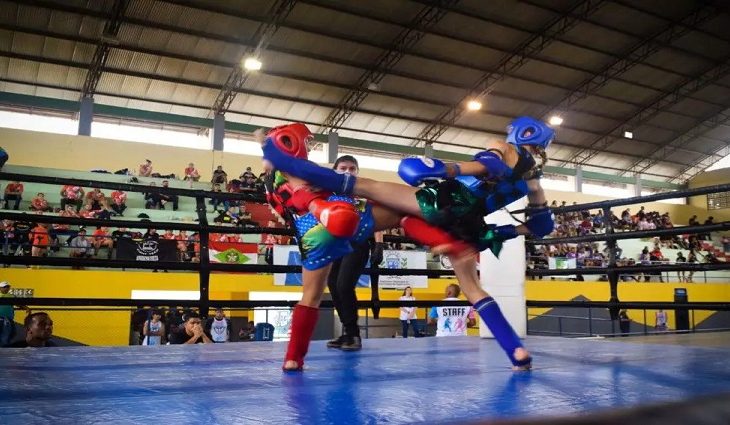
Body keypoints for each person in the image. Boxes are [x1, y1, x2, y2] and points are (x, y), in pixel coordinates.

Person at [261, 118, 554, 371]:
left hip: (314, 235)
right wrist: (503, 231)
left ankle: (293, 359)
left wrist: (442, 169)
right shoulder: (533, 182)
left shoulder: (277, 179)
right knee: (470, 286)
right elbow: (542, 225)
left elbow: (486, 165)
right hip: (466, 224)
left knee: (311, 293)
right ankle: (516, 350)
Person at [325, 155, 382, 351]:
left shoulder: (363, 193)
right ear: (335, 169)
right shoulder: (329, 192)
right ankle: (347, 333)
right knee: (333, 284)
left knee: (344, 285)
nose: (348, 171)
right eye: (344, 167)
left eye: (352, 168)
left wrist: (379, 245)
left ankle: (354, 335)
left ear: (357, 172)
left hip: (357, 243)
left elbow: (376, 219)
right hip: (335, 244)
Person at [0, 281, 30, 346]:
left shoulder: (11, 296)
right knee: (5, 334)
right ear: (0, 288)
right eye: (5, 287)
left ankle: (4, 348)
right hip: (4, 318)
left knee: (9, 334)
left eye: (8, 287)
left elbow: (18, 303)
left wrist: (26, 308)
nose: (7, 288)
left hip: (8, 318)